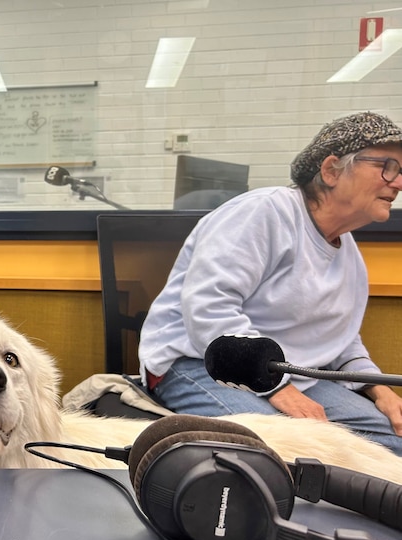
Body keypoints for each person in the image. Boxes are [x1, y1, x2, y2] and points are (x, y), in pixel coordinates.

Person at [138, 111, 402, 456]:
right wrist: (278, 389)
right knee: (288, 451)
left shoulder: (348, 250)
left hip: (292, 374)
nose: (397, 182)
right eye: (387, 166)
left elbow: (340, 338)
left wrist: (379, 389)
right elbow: (209, 306)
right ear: (331, 170)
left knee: (391, 441)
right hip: (198, 363)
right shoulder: (263, 212)